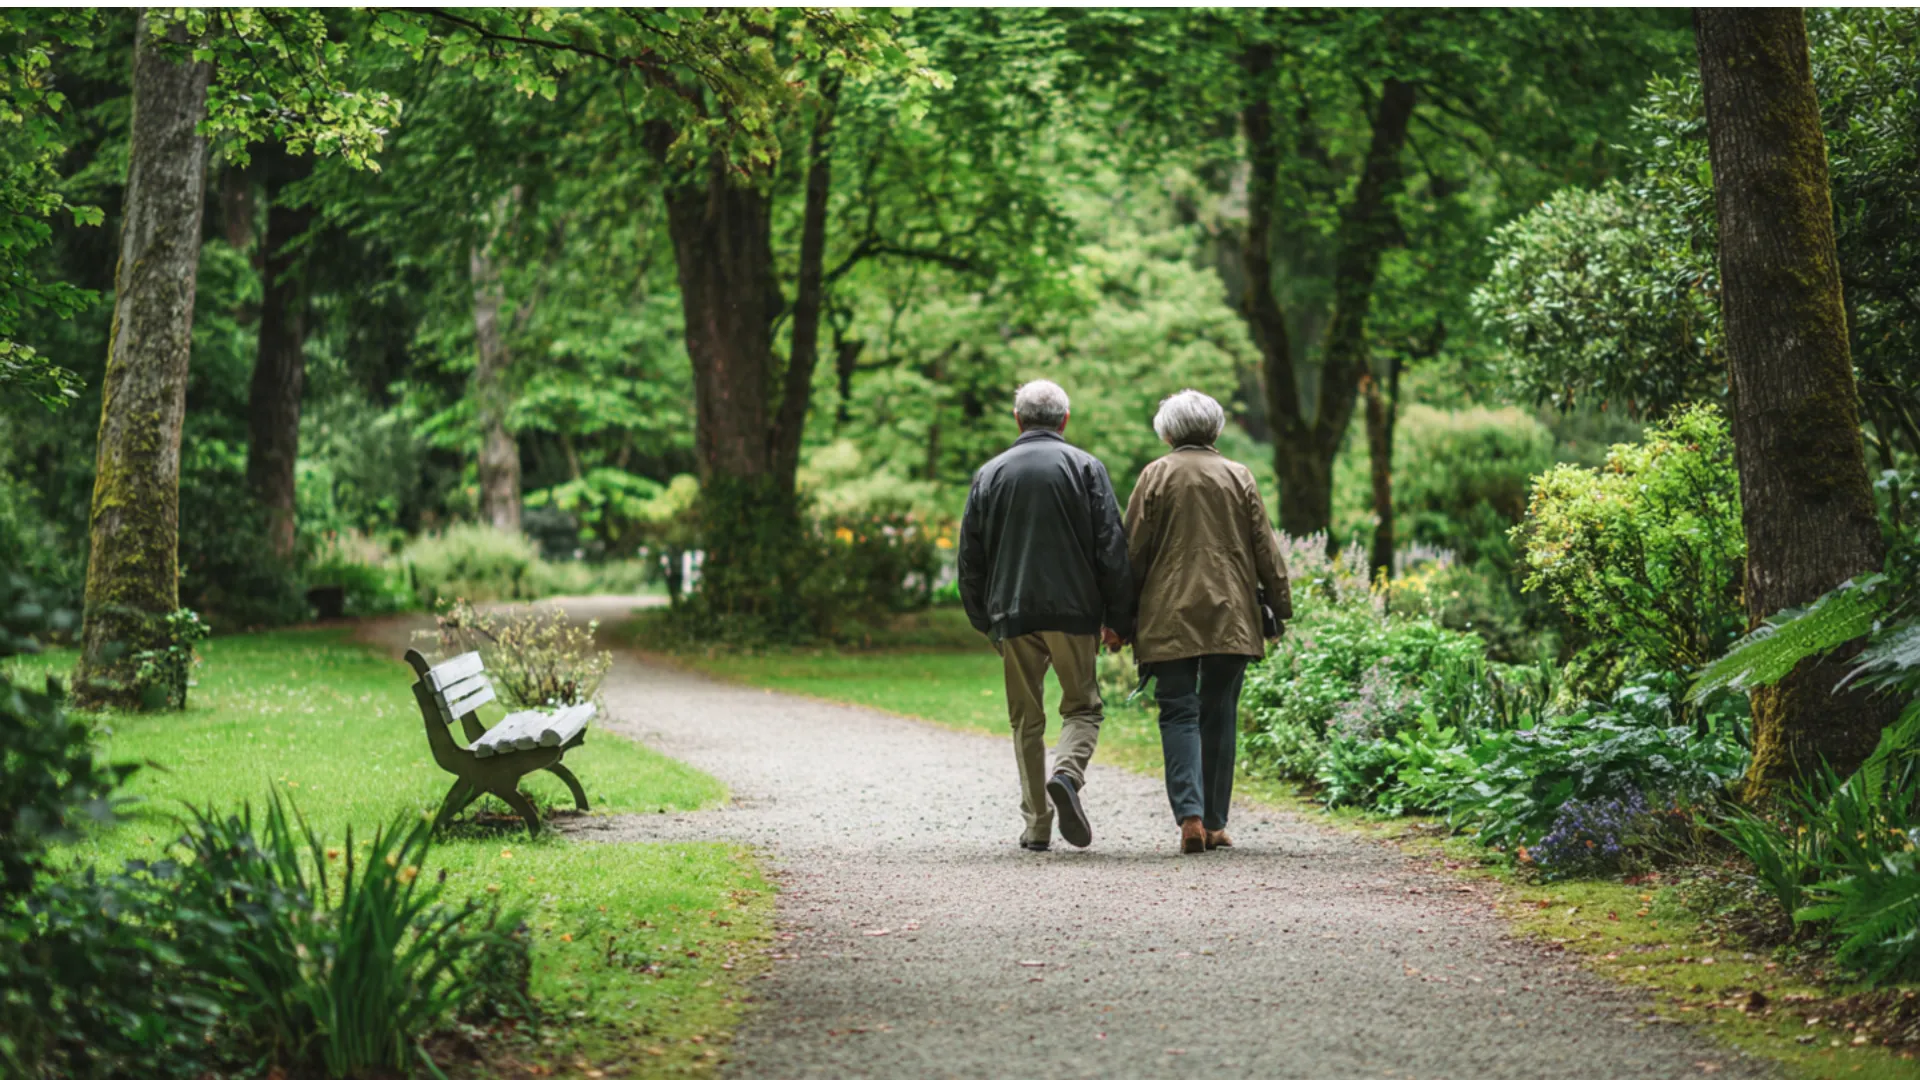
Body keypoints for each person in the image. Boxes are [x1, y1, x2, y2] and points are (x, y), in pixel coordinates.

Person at [958, 379, 1133, 853]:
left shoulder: (990, 473)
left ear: (1018, 419)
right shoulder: (1086, 468)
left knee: (1025, 720)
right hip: (1075, 612)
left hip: (1012, 612)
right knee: (1082, 707)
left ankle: (1037, 825)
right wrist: (1119, 616)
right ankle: (1067, 774)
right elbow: (1111, 548)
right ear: (1064, 420)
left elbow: (970, 557)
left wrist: (984, 619)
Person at [1121, 389, 1290, 855]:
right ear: (1215, 430)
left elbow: (1132, 551)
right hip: (1231, 614)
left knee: (1177, 710)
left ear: (1168, 431)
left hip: (1167, 613)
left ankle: (1190, 817)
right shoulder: (1239, 476)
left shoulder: (1155, 476)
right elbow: (1266, 549)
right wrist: (1280, 607)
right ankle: (1215, 823)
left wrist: (1118, 616)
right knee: (1220, 712)